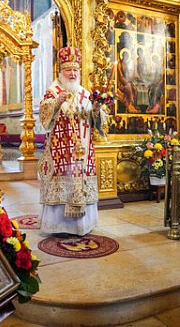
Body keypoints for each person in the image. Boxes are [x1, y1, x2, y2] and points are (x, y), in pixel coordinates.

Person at [38, 46, 107, 236]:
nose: (72, 73)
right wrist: (57, 103)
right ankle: (60, 227)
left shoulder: (85, 94)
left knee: (81, 184)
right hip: (61, 151)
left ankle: (83, 226)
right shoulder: (53, 91)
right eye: (68, 70)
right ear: (61, 71)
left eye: (75, 70)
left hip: (83, 152)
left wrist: (96, 110)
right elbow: (44, 115)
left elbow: (96, 121)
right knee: (63, 185)